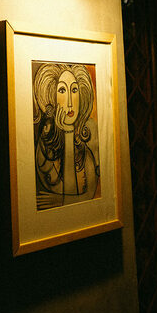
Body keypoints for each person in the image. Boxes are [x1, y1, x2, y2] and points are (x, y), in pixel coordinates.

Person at [32, 62, 100, 208]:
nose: (70, 103)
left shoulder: (86, 150)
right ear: (52, 96)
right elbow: (71, 193)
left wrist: (62, 201)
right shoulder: (44, 150)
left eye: (74, 90)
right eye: (62, 90)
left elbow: (89, 196)